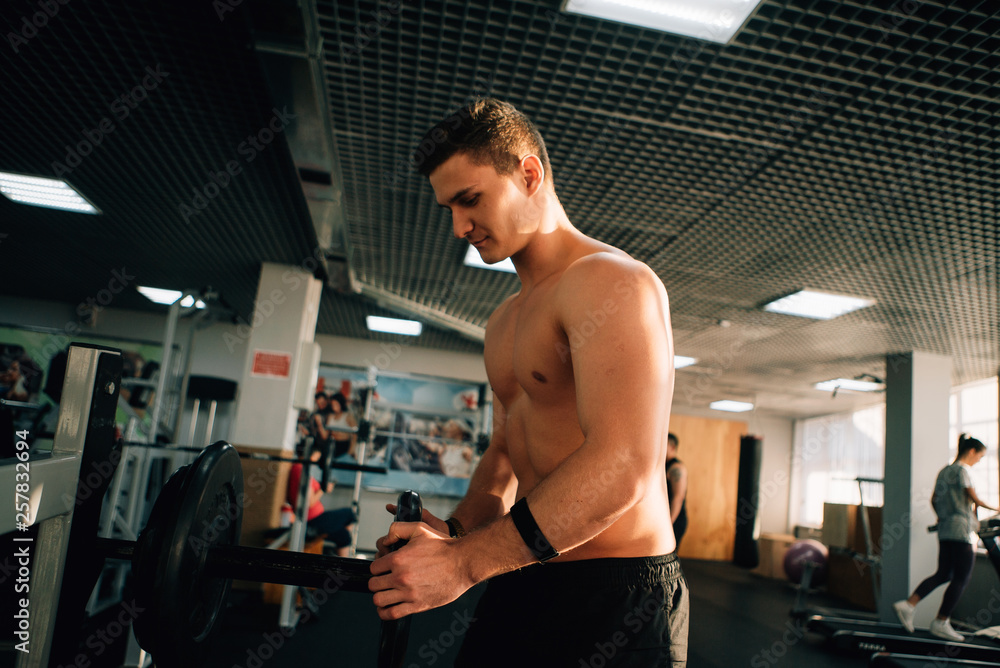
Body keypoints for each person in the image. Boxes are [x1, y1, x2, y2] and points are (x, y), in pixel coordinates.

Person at [368, 98, 685, 666]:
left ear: (529, 174)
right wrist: (456, 532)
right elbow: (504, 456)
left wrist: (464, 563)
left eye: (470, 200)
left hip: (616, 595)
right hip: (522, 570)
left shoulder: (611, 281)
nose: (459, 227)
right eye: (449, 209)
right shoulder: (504, 321)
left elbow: (623, 467)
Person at [893, 434, 999, 641]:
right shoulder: (962, 471)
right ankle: (941, 621)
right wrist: (996, 508)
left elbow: (934, 500)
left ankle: (908, 604)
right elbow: (974, 498)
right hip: (963, 531)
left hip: (946, 530)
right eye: (980, 456)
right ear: (971, 451)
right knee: (962, 577)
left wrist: (942, 517)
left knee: (944, 573)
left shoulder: (944, 471)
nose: (979, 461)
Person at [287, 444, 357, 557]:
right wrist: (323, 489)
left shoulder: (300, 468)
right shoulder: (302, 471)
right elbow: (309, 502)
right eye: (317, 457)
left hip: (314, 517)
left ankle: (343, 564)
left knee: (344, 536)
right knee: (349, 514)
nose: (317, 461)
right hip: (312, 520)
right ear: (311, 455)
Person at [665, 432, 689, 549]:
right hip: (665, 519)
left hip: (675, 519)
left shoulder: (676, 468)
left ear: (672, 447)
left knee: (669, 554)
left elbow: (678, 498)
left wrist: (668, 524)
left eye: (663, 444)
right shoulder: (663, 465)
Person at [325, 392, 357, 459]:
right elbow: (327, 433)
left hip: (344, 445)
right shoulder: (330, 416)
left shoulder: (348, 416)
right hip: (332, 444)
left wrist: (351, 450)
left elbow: (355, 434)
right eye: (332, 404)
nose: (334, 406)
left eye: (336, 404)